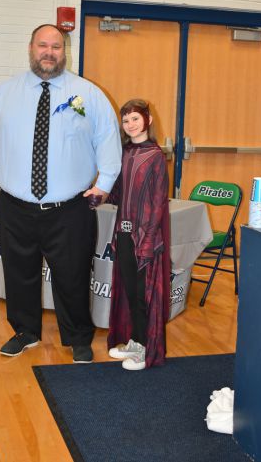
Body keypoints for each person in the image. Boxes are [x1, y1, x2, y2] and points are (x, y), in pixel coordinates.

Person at [0, 24, 122, 363]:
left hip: (70, 209)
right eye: (42, 45)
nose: (48, 52)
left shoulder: (88, 94)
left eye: (56, 46)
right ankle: (25, 332)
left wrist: (105, 184)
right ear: (30, 48)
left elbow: (108, 139)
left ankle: (78, 337)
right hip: (15, 207)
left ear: (64, 51)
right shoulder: (4, 94)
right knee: (18, 272)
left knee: (74, 274)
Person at [107, 99, 170, 371]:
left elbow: (158, 204)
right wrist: (95, 191)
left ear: (148, 120)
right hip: (123, 231)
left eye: (135, 118)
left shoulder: (155, 156)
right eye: (126, 120)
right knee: (130, 292)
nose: (130, 125)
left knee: (144, 294)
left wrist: (148, 241)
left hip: (145, 237)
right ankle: (135, 340)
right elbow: (117, 193)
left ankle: (147, 350)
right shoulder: (123, 153)